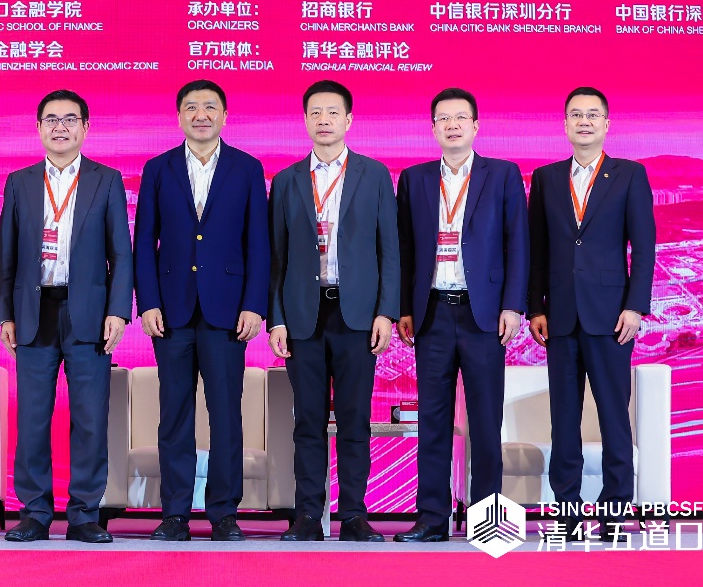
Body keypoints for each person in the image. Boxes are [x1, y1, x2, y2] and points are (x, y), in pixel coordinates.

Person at [0, 90, 132, 543]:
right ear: (38, 128)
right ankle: (35, 512)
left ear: (85, 128)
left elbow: (121, 253)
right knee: (33, 418)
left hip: (88, 314)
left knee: (90, 417)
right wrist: (5, 313)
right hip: (34, 312)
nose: (60, 127)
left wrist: (118, 311)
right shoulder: (20, 182)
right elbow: (5, 254)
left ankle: (84, 513)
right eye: (51, 119)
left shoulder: (106, 180)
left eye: (70, 119)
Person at [134, 80, 269, 542]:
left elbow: (259, 243)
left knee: (226, 415)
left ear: (225, 116)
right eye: (191, 107)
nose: (201, 115)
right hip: (170, 311)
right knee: (174, 414)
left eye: (210, 107)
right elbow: (143, 243)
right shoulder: (158, 168)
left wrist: (254, 305)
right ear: (179, 117)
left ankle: (224, 514)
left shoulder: (247, 168)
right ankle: (175, 513)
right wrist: (148, 301)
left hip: (227, 312)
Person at [393, 88, 529, 542]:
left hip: (482, 315)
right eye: (443, 119)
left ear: (475, 126)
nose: (452, 125)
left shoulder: (503, 174)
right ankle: (432, 518)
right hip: (431, 313)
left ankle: (487, 520)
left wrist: (512, 305)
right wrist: (404, 309)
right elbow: (405, 249)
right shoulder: (414, 179)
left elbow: (517, 244)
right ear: (432, 128)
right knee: (432, 421)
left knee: (485, 422)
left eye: (460, 118)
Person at [268, 79, 399, 542]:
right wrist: (276, 317)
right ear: (305, 120)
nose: (324, 120)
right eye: (315, 113)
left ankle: (354, 515)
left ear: (349, 120)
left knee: (354, 419)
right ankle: (307, 515)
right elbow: (276, 257)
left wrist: (386, 312)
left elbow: (390, 250)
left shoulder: (374, 175)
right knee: (307, 420)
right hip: (303, 316)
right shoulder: (286, 180)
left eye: (332, 113)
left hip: (357, 316)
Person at [528, 86, 655, 538]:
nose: (584, 121)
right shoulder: (546, 178)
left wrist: (635, 306)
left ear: (606, 124)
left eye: (593, 114)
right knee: (563, 420)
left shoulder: (629, 175)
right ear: (564, 124)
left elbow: (644, 247)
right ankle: (567, 510)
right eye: (576, 114)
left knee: (614, 417)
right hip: (560, 317)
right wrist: (535, 307)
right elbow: (537, 250)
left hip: (611, 317)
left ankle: (616, 511)